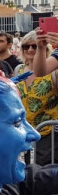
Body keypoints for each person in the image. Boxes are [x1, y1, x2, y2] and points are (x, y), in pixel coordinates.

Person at [17, 31, 58, 165]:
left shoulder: (53, 71)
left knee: (45, 171)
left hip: (48, 133)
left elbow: (40, 72)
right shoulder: (19, 70)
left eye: (34, 46)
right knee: (26, 170)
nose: (30, 49)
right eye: (26, 46)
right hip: (24, 132)